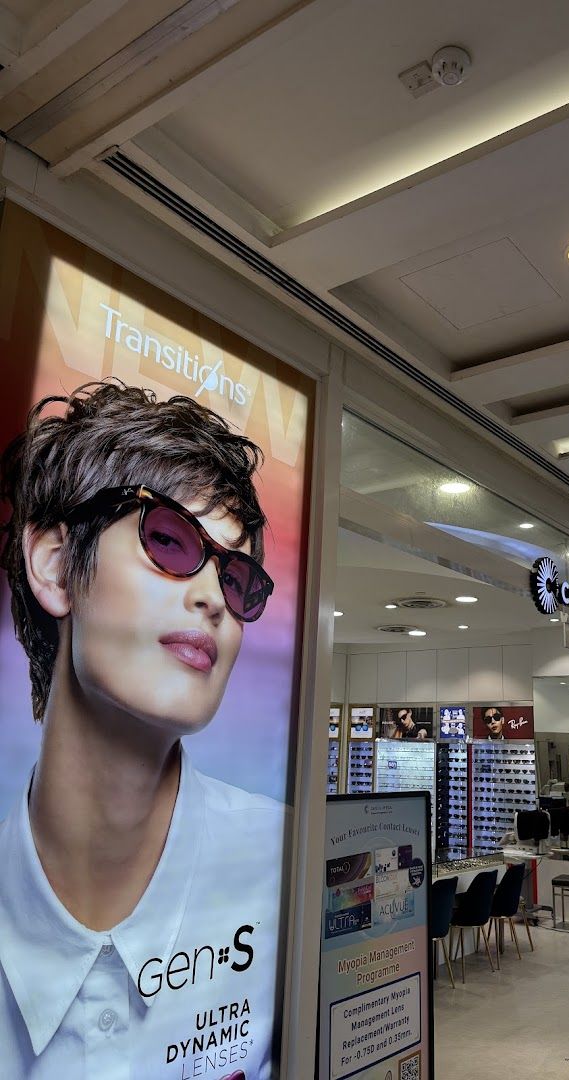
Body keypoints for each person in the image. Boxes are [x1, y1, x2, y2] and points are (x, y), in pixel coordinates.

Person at [0, 381, 284, 1079]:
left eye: (239, 577)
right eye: (169, 539)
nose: (214, 598)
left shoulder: (288, 867)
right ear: (55, 565)